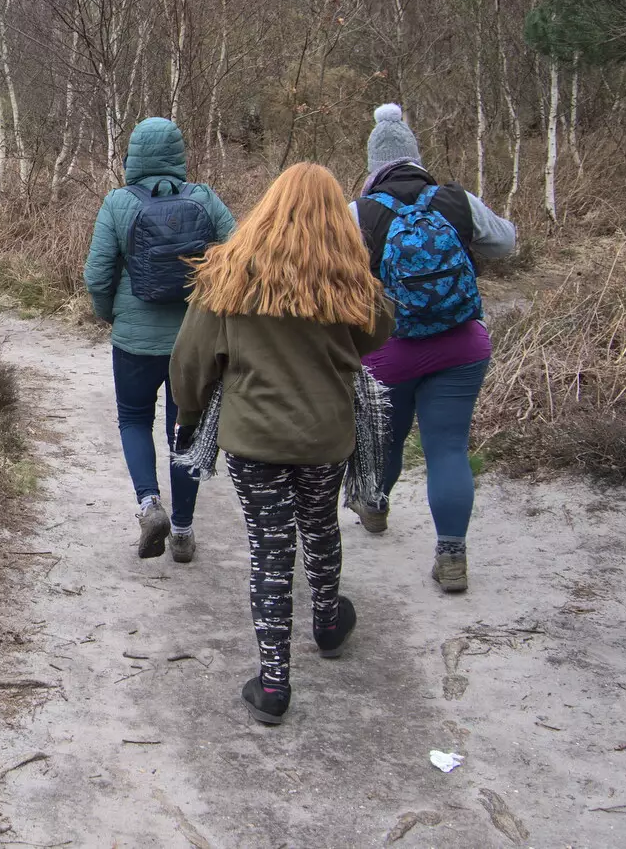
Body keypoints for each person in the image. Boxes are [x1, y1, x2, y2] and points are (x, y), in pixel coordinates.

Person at [170, 163, 394, 725]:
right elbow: (379, 332)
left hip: (254, 439)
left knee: (270, 546)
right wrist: (351, 276)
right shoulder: (345, 276)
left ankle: (273, 685)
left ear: (267, 206)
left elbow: (191, 362)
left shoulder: (230, 275)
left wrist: (192, 415)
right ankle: (327, 622)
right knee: (320, 523)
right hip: (326, 436)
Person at [348, 104, 517, 594]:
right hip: (462, 345)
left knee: (388, 439)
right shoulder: (456, 200)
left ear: (373, 164)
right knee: (447, 449)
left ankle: (375, 504)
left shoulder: (359, 212)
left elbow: (325, 270)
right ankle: (451, 556)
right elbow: (506, 243)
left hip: (389, 351)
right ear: (416, 157)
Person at [84, 117, 236, 562]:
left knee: (133, 419)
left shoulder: (118, 203)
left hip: (133, 340)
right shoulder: (205, 199)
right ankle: (184, 532)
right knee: (183, 430)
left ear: (133, 156)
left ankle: (149, 504)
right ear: (178, 153)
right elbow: (241, 259)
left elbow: (97, 274)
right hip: (192, 343)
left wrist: (110, 314)